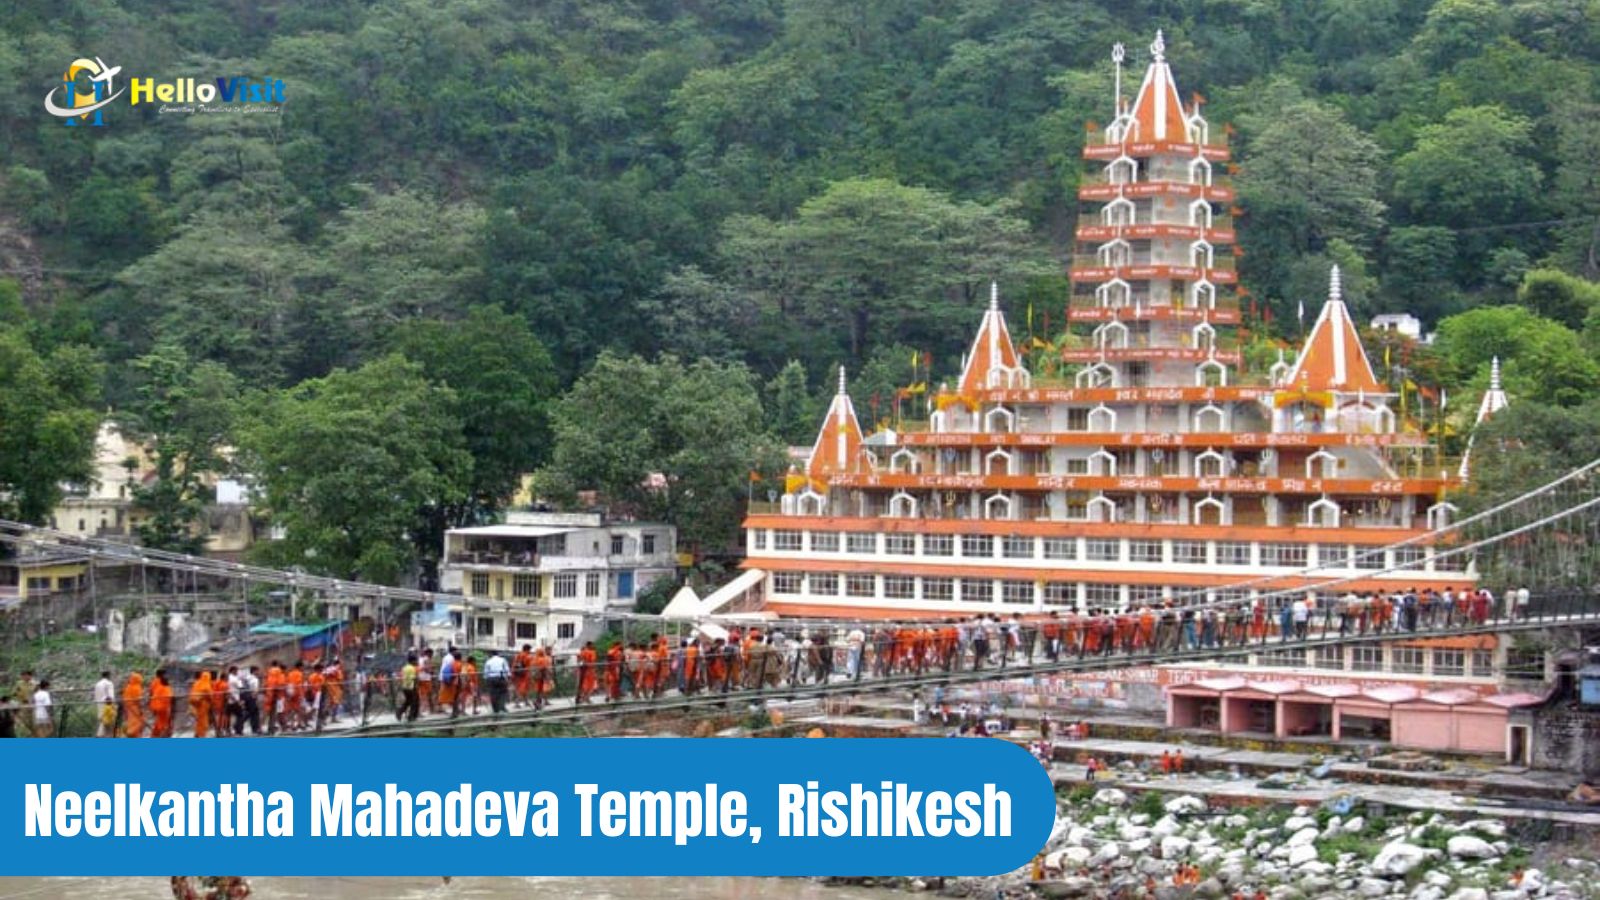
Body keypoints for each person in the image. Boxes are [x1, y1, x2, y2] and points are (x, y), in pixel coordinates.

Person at [483, 650, 511, 715]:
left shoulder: (488, 661)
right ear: (497, 654)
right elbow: (507, 670)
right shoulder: (503, 660)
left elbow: (485, 673)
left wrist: (486, 681)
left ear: (491, 655)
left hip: (491, 679)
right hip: (501, 678)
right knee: (503, 692)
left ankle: (495, 710)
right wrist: (508, 678)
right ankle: (502, 706)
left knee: (493, 694)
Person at [149, 670, 174, 738]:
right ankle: (162, 736)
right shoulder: (163, 686)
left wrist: (152, 706)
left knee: (159, 723)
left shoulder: (154, 683)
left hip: (157, 707)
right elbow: (168, 699)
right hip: (164, 708)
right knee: (163, 725)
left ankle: (155, 736)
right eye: (165, 675)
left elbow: (151, 693)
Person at [122, 672, 146, 738]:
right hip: (135, 708)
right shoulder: (137, 687)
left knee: (131, 723)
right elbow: (139, 701)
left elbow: (124, 699)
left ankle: (130, 734)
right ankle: (132, 734)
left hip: (129, 708)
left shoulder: (127, 687)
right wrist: (141, 710)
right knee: (138, 722)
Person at [93, 671, 116, 738]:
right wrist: (112, 705)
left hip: (99, 703)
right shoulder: (109, 683)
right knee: (108, 721)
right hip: (107, 704)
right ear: (108, 675)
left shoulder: (97, 684)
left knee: (101, 718)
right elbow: (110, 696)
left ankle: (99, 734)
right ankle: (102, 735)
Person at [397, 655, 420, 722]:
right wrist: (416, 685)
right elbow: (413, 678)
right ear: (412, 661)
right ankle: (411, 717)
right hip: (411, 687)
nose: (416, 662)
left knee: (408, 701)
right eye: (416, 660)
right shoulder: (412, 668)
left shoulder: (404, 667)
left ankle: (399, 712)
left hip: (405, 687)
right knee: (414, 702)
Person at [190, 670, 213, 738]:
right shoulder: (206, 684)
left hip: (195, 705)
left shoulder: (197, 683)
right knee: (203, 722)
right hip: (203, 705)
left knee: (199, 721)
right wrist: (212, 702)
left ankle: (197, 735)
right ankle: (201, 735)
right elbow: (209, 695)